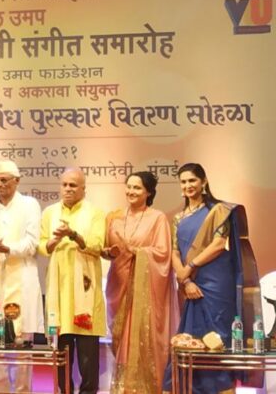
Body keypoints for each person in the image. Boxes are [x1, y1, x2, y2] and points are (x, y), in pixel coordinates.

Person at [162, 163, 256, 394]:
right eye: (183, 182)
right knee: (191, 337)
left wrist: (190, 267)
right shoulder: (179, 218)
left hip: (216, 282)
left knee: (218, 336)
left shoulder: (218, 210)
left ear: (203, 181)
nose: (187, 186)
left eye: (192, 180)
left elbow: (218, 244)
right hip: (190, 282)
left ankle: (222, 388)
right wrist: (185, 281)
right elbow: (175, 252)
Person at [101, 171, 176, 394]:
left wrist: (138, 252)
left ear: (148, 193)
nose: (131, 191)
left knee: (143, 337)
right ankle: (123, 387)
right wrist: (108, 252)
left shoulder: (157, 218)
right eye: (129, 186)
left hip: (145, 290)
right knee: (119, 337)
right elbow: (105, 249)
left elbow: (163, 253)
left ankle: (145, 388)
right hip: (118, 283)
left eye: (137, 188)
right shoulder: (113, 217)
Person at [0, 161, 43, 392]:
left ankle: (23, 390)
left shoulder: (29, 205)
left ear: (17, 180)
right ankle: (0, 389)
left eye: (4, 180)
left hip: (21, 278)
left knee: (21, 342)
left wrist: (6, 248)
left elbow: (32, 243)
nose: (0, 184)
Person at [39, 168, 105, 394]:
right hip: (58, 292)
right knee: (61, 355)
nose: (68, 189)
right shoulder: (50, 212)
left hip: (85, 292)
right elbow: (42, 246)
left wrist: (73, 235)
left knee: (88, 360)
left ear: (83, 189)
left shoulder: (95, 213)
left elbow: (97, 245)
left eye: (73, 185)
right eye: (65, 184)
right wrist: (54, 240)